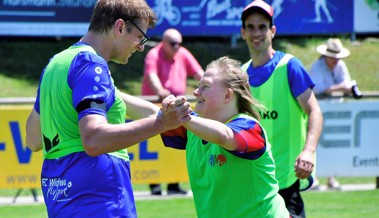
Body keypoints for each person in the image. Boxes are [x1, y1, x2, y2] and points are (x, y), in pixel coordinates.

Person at [25, 1, 191, 217]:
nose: (141, 46)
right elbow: (94, 139)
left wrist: (179, 117)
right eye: (140, 37)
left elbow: (33, 139)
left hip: (62, 199)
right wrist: (160, 123)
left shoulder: (56, 65)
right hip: (99, 201)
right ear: (120, 27)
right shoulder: (91, 65)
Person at [160, 56, 290, 218]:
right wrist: (118, 96)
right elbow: (153, 115)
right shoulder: (195, 127)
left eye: (205, 86)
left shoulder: (249, 127)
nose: (195, 92)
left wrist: (182, 117)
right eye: (198, 86)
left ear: (227, 96)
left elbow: (225, 136)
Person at [240, 1, 323, 217]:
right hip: (253, 183)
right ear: (242, 32)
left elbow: (314, 111)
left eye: (262, 26)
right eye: (250, 26)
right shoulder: (240, 75)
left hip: (287, 181)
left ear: (272, 31)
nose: (256, 32)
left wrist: (309, 151)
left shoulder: (289, 66)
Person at [141, 28, 204, 195]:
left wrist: (208, 88)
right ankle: (153, 183)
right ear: (163, 42)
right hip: (156, 107)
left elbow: (199, 73)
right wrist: (160, 90)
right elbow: (151, 75)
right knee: (155, 146)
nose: (177, 47)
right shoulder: (154, 54)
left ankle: (173, 184)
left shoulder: (183, 53)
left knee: (176, 144)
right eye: (173, 44)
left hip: (176, 107)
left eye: (179, 43)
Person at [309, 38, 360, 190]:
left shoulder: (340, 65)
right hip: (319, 111)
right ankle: (315, 177)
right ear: (326, 56)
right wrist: (340, 87)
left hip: (337, 110)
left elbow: (347, 83)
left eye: (337, 58)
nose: (335, 61)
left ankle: (331, 177)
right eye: (333, 57)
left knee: (333, 144)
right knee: (317, 144)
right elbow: (319, 89)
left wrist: (338, 88)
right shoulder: (317, 67)